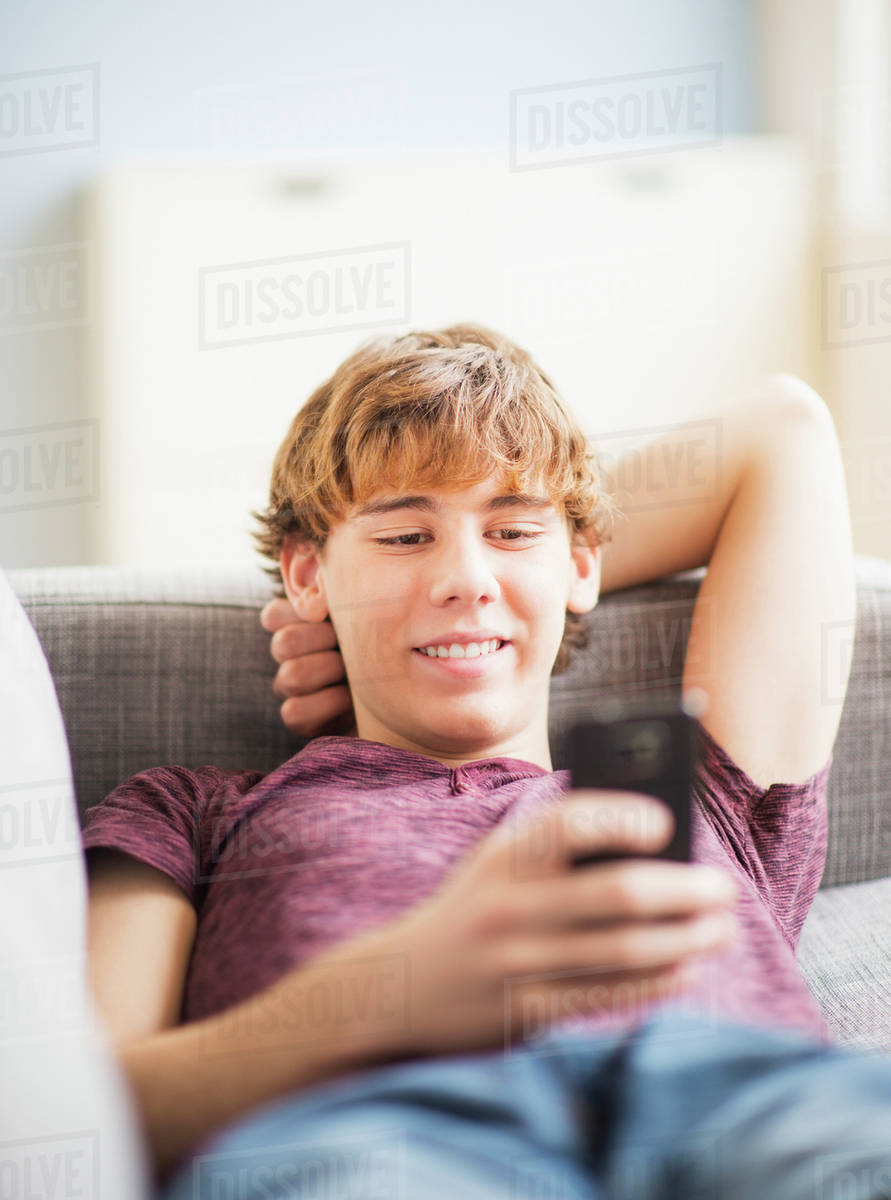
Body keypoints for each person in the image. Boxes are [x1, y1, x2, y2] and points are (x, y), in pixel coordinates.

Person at [81, 324, 891, 1198]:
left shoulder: (714, 789)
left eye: (510, 532)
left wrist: (503, 584)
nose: (464, 577)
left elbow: (781, 430)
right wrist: (386, 995)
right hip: (385, 1129)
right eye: (402, 538)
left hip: (733, 1100)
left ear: (585, 565)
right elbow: (73, 1113)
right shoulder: (186, 811)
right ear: (307, 575)